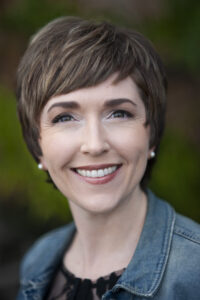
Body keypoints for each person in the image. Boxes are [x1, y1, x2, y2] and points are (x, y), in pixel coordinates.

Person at [16, 16, 200, 300]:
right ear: (37, 143)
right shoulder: (38, 260)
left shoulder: (194, 272)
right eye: (65, 117)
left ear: (150, 133)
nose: (95, 144)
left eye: (119, 113)